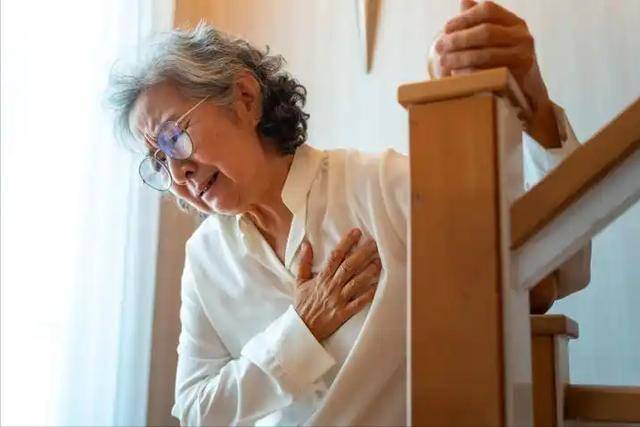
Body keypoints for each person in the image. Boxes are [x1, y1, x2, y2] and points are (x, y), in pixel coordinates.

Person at [107, 1, 590, 425]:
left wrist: (534, 104)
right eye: (158, 161)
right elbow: (196, 411)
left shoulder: (382, 186)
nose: (177, 173)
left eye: (174, 137)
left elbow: (547, 276)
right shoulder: (206, 256)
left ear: (245, 98)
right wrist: (300, 330)